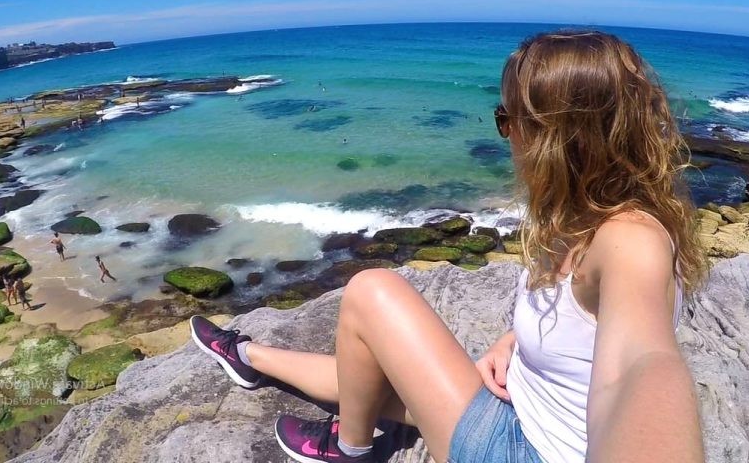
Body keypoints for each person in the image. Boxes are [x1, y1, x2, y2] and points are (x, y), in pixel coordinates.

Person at [189, 31, 706, 463]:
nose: (505, 135)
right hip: (523, 405)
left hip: (520, 448)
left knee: (372, 290)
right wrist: (517, 341)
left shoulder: (630, 240)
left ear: (555, 135)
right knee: (370, 376)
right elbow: (591, 330)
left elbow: (643, 366)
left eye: (508, 120)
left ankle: (348, 448)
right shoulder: (593, 214)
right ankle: (244, 354)